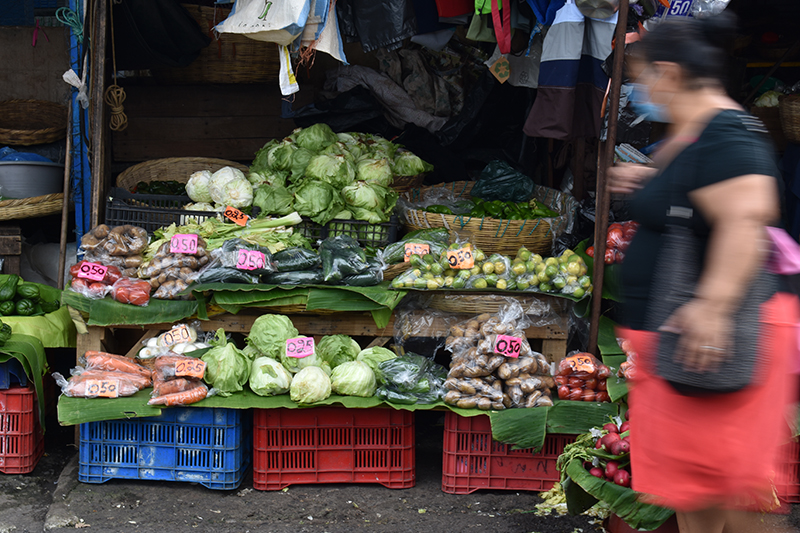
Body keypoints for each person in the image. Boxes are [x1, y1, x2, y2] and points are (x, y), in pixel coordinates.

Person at [608, 12, 800, 533]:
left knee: (720, 486)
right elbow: (696, 206)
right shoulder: (697, 133)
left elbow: (746, 216)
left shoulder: (726, 133)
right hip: (680, 338)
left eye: (640, 77)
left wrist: (712, 307)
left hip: (713, 335)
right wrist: (647, 182)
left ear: (667, 73)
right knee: (703, 486)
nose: (638, 90)